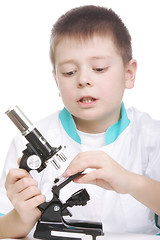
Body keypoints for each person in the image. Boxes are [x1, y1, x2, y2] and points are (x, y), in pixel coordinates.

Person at [0, 4, 160, 238]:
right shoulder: (26, 145)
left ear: (129, 73)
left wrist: (131, 182)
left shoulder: (152, 138)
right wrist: (22, 216)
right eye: (69, 72)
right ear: (56, 81)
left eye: (99, 68)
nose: (84, 79)